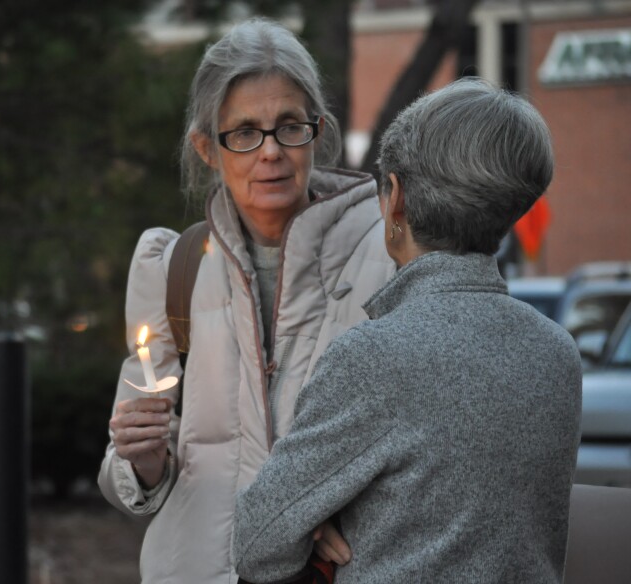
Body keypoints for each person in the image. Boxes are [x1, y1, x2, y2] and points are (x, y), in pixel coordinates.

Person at [232, 77, 583, 584]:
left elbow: (257, 543)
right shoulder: (556, 353)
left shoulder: (374, 357)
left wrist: (317, 519)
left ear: (394, 198)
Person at [97, 18, 395, 584]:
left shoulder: (386, 256)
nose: (271, 153)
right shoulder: (172, 268)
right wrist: (141, 459)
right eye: (245, 132)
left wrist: (315, 510)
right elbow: (127, 475)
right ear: (208, 148)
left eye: (289, 127)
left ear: (318, 130)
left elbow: (420, 441)